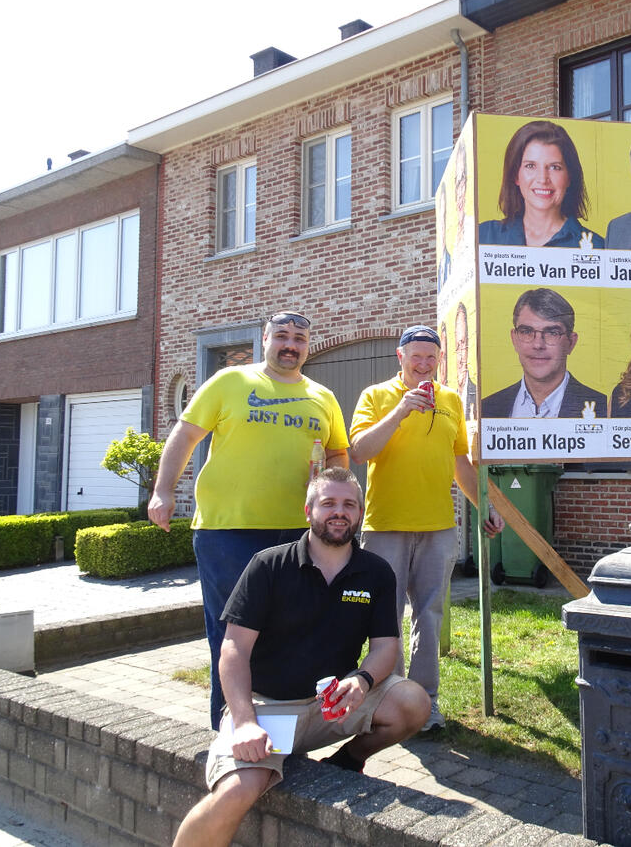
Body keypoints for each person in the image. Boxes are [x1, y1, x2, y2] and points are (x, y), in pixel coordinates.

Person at [171, 468, 429, 847]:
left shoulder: (375, 572)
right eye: (328, 503)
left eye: (349, 504)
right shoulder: (268, 565)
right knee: (237, 791)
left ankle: (346, 761)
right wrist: (245, 722)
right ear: (308, 511)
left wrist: (361, 681)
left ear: (360, 514)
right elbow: (233, 649)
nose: (339, 512)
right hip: (270, 710)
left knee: (413, 702)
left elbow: (385, 646)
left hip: (332, 705)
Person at [149, 311, 349, 730]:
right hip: (229, 531)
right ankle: (229, 729)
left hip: (297, 533)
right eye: (282, 336)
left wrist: (334, 504)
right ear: (265, 338)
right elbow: (185, 434)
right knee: (233, 633)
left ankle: (281, 728)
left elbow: (337, 454)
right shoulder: (230, 381)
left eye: (299, 338)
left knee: (289, 631)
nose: (290, 344)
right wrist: (163, 489)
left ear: (308, 346)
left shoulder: (322, 396)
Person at [348, 325, 504, 731]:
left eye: (431, 357)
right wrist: (401, 411)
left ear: (440, 360)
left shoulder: (450, 399)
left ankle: (425, 702)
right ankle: (389, 699)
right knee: (386, 618)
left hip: (438, 527)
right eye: (416, 356)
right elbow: (360, 451)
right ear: (400, 357)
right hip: (385, 526)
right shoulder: (375, 396)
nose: (423, 364)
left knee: (429, 615)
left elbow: (461, 464)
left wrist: (485, 506)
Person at [481, 288, 607, 419]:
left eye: (552, 333)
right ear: (514, 339)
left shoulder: (603, 408)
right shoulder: (486, 408)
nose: (538, 345)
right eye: (527, 331)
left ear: (571, 342)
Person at [478, 120, 601, 248]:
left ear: (569, 177)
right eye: (530, 166)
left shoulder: (597, 247)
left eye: (555, 167)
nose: (542, 179)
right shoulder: (482, 236)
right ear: (516, 175)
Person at [454, 302, 477, 420]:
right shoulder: (449, 395)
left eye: (463, 345)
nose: (461, 356)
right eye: (458, 346)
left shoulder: (477, 394)